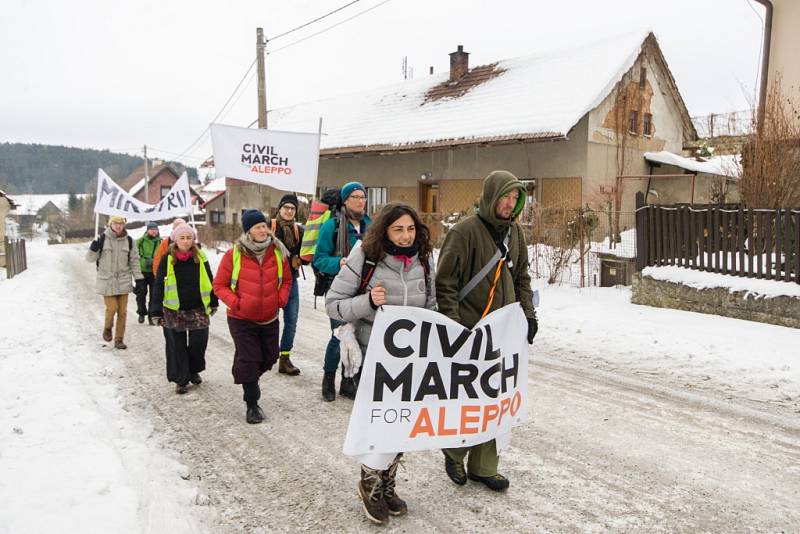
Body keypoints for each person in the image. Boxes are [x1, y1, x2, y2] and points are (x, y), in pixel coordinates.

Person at [326, 202, 435, 525]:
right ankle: (370, 484)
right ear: (384, 230)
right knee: (380, 422)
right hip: (374, 357)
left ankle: (387, 484)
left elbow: (432, 304)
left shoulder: (426, 260)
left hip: (410, 361)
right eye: (398, 229)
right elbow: (334, 305)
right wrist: (367, 301)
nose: (405, 236)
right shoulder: (366, 257)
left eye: (411, 229)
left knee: (402, 422)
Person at [435, 170, 539, 492]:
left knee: (496, 397)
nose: (510, 204)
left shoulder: (515, 234)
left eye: (515, 199)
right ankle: (454, 454)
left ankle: (484, 466)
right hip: (470, 331)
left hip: (504, 332)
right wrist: (454, 328)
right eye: (506, 197)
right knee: (468, 399)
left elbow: (522, 277)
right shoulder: (463, 232)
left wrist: (529, 316)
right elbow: (446, 283)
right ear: (492, 195)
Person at [213, 209, 292, 424]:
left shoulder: (277, 251)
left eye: (264, 226)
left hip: (269, 317)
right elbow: (219, 285)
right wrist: (236, 303)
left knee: (269, 357)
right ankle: (252, 404)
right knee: (249, 359)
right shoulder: (234, 254)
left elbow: (286, 280)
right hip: (241, 319)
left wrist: (280, 299)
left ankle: (246, 371)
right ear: (248, 231)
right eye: (257, 227)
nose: (263, 230)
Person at [313, 181, 371, 402]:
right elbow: (320, 260)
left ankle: (349, 381)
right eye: (355, 197)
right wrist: (341, 263)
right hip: (339, 290)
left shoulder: (370, 225)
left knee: (359, 336)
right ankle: (328, 379)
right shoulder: (332, 226)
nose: (361, 200)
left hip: (364, 291)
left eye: (363, 196)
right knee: (340, 336)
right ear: (345, 201)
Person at [150, 223, 218, 394]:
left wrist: (213, 300)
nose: (186, 241)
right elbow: (158, 284)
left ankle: (193, 370)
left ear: (193, 239)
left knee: (199, 343)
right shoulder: (167, 258)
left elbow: (209, 278)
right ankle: (181, 379)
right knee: (176, 345)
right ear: (175, 239)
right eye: (182, 238)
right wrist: (156, 310)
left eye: (189, 238)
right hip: (173, 309)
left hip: (198, 308)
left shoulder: (200, 256)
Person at [86, 215, 144, 350]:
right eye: (116, 223)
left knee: (122, 312)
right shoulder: (102, 239)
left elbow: (134, 261)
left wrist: (139, 279)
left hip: (123, 280)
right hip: (107, 281)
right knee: (112, 308)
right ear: (110, 224)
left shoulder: (129, 241)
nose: (118, 226)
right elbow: (90, 259)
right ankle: (107, 328)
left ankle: (119, 339)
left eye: (121, 223)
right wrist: (93, 248)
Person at [271, 193, 305, 376]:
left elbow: (306, 254)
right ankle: (267, 354)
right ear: (280, 208)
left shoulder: (299, 230)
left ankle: (284, 358)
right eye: (286, 207)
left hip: (291, 281)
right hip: (271, 283)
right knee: (270, 321)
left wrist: (300, 259)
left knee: (291, 321)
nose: (289, 211)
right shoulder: (270, 227)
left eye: (293, 208)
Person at [135, 221, 162, 324]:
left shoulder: (161, 242)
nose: (154, 232)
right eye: (152, 229)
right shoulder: (140, 241)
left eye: (155, 229)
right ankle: (141, 313)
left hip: (155, 272)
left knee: (154, 295)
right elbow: (134, 256)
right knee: (141, 294)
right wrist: (143, 262)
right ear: (147, 230)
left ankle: (152, 316)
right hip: (142, 271)